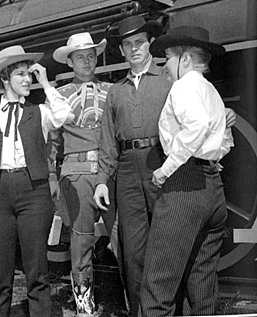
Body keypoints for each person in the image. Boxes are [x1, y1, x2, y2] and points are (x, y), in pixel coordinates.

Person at [93, 16, 236, 317]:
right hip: (142, 171)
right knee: (140, 254)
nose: (135, 49)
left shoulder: (175, 84)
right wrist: (104, 178)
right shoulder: (116, 92)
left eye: (141, 43)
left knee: (165, 266)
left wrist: (169, 166)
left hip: (169, 171)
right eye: (127, 44)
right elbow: (108, 139)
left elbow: (195, 124)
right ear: (121, 50)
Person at [0, 45, 73, 317]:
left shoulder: (40, 112)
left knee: (37, 271)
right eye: (21, 75)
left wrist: (46, 83)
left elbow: (65, 115)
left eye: (29, 74)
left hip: (34, 194)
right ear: (5, 78)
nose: (28, 80)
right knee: (0, 275)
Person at [139, 25, 234, 316]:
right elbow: (225, 142)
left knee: (158, 286)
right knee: (202, 288)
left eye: (167, 58)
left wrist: (165, 170)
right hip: (213, 190)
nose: (164, 66)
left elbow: (197, 125)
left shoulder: (183, 86)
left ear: (185, 58)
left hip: (184, 189)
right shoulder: (211, 90)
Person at [48, 32, 118, 317]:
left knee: (123, 237)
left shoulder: (113, 91)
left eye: (91, 56)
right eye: (80, 57)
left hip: (110, 173)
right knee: (81, 241)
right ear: (70, 62)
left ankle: (134, 301)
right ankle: (84, 305)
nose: (87, 62)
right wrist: (53, 180)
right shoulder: (60, 95)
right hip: (76, 177)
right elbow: (52, 143)